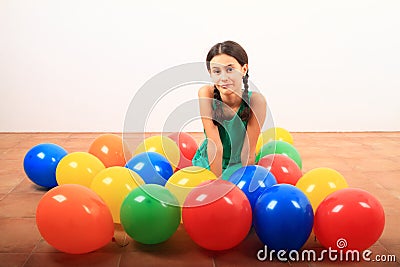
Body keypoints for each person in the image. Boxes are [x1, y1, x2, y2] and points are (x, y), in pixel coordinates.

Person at [192, 40, 267, 180]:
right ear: (210, 73)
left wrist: (244, 181)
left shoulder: (256, 101)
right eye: (217, 71)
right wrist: (215, 184)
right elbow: (215, 146)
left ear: (244, 70)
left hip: (239, 164)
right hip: (211, 160)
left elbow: (248, 153)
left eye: (230, 69)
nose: (223, 78)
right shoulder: (206, 93)